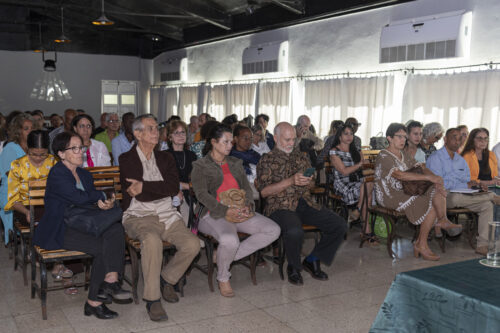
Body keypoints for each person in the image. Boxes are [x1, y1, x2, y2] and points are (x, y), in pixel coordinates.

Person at [33, 131, 131, 319]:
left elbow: (88, 201)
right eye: (75, 148)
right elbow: (78, 198)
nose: (81, 152)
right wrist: (101, 196)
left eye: (82, 147)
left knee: (116, 229)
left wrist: (104, 204)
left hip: (83, 222)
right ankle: (98, 298)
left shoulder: (84, 175)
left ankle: (108, 283)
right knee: (104, 245)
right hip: (60, 227)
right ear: (61, 153)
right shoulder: (57, 173)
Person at [120, 115, 200, 322]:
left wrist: (145, 185)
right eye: (150, 129)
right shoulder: (126, 159)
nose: (156, 132)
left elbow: (172, 187)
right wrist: (157, 189)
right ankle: (152, 298)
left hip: (167, 214)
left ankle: (167, 279)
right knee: (152, 241)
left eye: (157, 128)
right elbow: (138, 194)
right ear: (138, 134)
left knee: (193, 244)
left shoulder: (166, 158)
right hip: (139, 215)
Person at [191, 123, 280, 296]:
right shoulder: (200, 166)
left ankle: (225, 256)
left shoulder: (235, 162)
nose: (230, 145)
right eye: (226, 142)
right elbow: (202, 195)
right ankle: (223, 277)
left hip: (239, 210)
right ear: (214, 142)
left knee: (273, 230)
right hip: (213, 213)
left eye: (231, 142)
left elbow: (246, 188)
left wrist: (247, 205)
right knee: (230, 240)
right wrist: (225, 211)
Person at [256, 122, 347, 285]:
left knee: (339, 224)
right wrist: (291, 180)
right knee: (294, 231)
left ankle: (312, 259)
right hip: (280, 206)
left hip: (305, 202)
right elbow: (264, 192)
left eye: (293, 140)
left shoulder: (301, 156)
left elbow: (312, 185)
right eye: (287, 140)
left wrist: (308, 181)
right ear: (276, 138)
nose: (291, 143)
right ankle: (293, 266)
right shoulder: (266, 160)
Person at [375, 124, 462, 261]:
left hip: (406, 190)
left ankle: (442, 220)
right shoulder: (384, 155)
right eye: (399, 137)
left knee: (436, 188)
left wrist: (435, 178)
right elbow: (400, 175)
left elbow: (421, 166)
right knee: (431, 201)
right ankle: (422, 243)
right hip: (389, 195)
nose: (403, 140)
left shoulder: (403, 153)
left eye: (404, 137)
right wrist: (429, 178)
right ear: (389, 138)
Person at [427, 128, 500, 256]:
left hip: (463, 194)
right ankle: (492, 196)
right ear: (445, 139)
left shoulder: (460, 160)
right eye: (453, 137)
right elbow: (438, 183)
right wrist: (458, 181)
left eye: (460, 138)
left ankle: (482, 245)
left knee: (487, 206)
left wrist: (474, 185)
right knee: (456, 198)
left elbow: (466, 181)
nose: (457, 141)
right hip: (442, 197)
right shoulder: (436, 158)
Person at [329, 124, 376, 242]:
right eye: (346, 134)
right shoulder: (334, 152)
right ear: (339, 136)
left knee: (369, 184)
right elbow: (344, 172)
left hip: (356, 180)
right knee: (367, 192)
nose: (349, 136)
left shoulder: (357, 150)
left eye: (351, 134)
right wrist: (359, 165)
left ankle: (358, 210)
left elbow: (364, 167)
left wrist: (367, 167)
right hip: (343, 183)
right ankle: (366, 230)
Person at [0, 113, 33, 243]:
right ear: (18, 131)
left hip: (29, 190)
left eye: (32, 128)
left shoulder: (34, 148)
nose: (30, 132)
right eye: (26, 129)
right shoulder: (11, 149)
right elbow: (12, 176)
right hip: (12, 193)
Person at [165, 120, 197, 225]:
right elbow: (165, 182)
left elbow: (196, 179)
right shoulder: (164, 156)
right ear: (170, 137)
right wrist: (187, 186)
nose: (180, 135)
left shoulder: (192, 155)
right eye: (176, 133)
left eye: (183, 132)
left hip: (192, 196)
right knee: (186, 221)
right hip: (173, 197)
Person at [230, 125, 262, 200]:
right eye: (245, 138)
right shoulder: (231, 156)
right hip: (244, 186)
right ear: (236, 139)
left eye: (251, 138)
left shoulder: (253, 153)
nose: (248, 141)